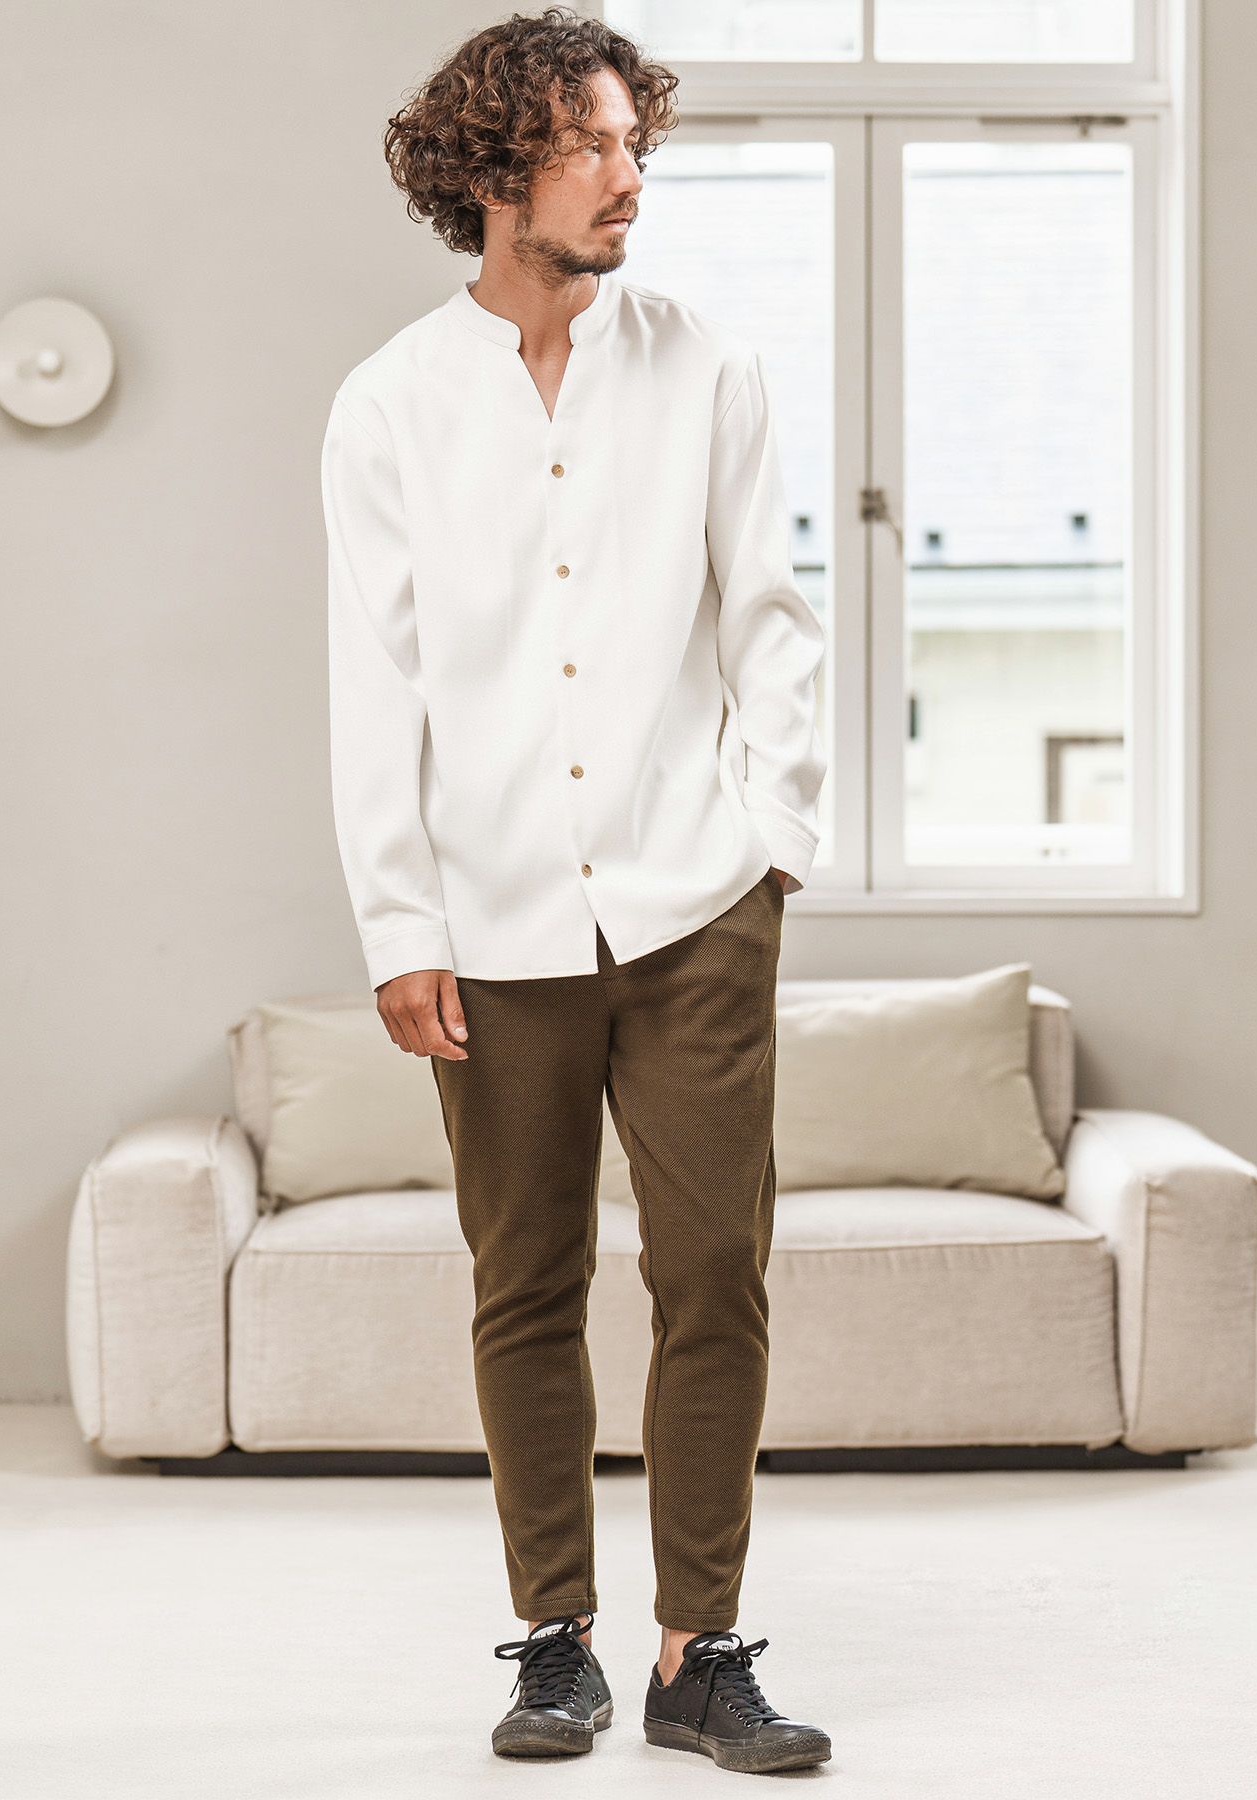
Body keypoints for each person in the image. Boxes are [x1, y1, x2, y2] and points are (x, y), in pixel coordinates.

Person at [320, 5, 830, 1775]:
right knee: (524, 1279)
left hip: (696, 905)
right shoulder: (389, 404)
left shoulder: (707, 367)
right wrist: (399, 924)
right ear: (492, 170)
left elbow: (775, 617)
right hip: (492, 919)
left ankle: (702, 1652)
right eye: (589, 146)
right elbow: (374, 680)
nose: (628, 176)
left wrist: (773, 844)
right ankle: (557, 1643)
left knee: (717, 1272)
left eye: (634, 142)